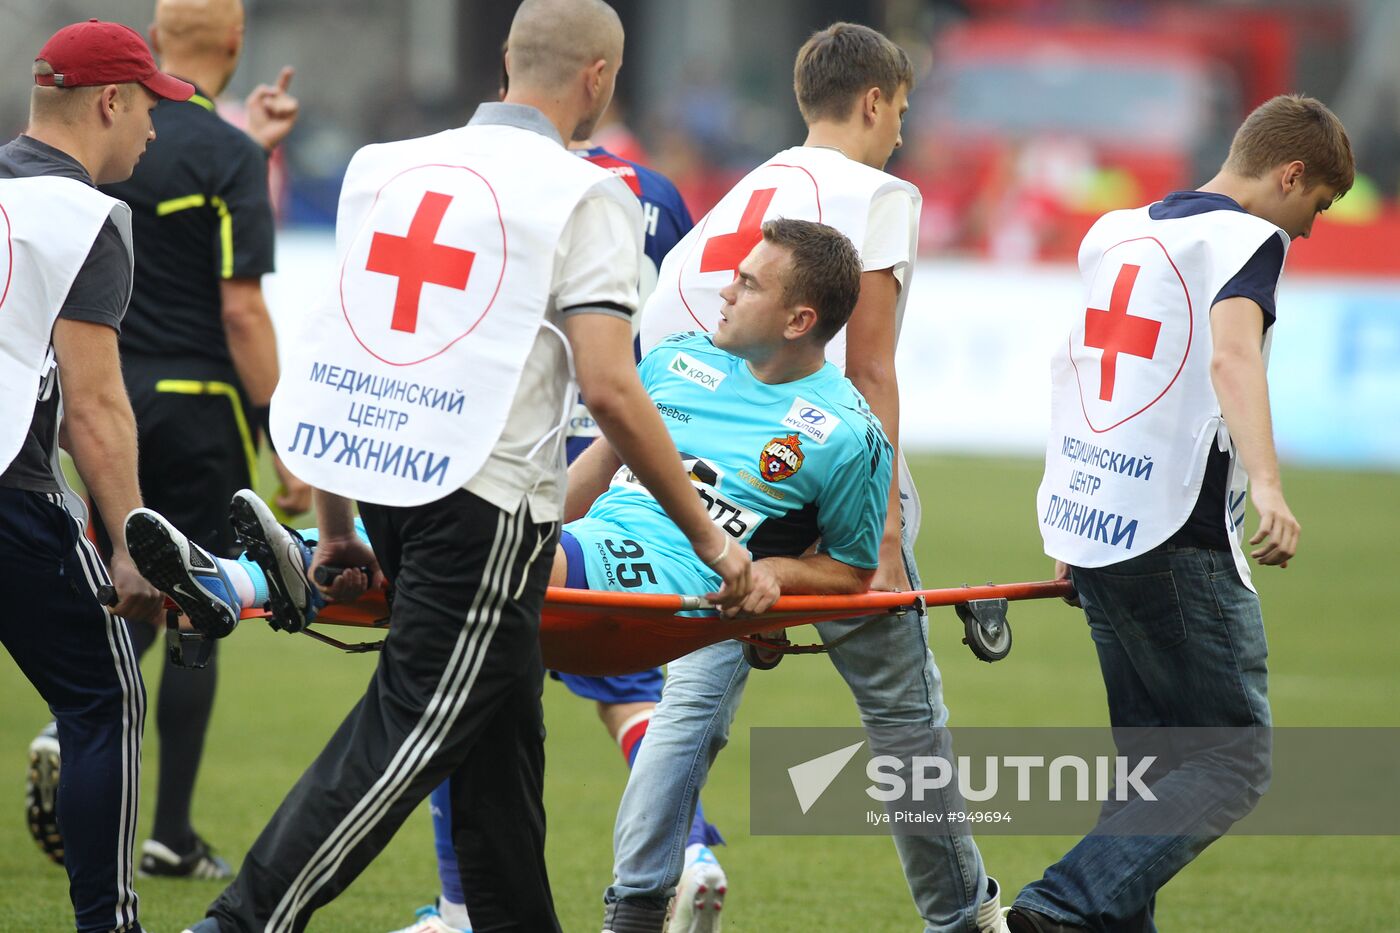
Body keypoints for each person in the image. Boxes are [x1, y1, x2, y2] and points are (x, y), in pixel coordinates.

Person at [180, 2, 751, 930]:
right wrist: (713, 542)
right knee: (411, 729)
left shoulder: (387, 167)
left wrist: (333, 529)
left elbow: (347, 355)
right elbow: (611, 386)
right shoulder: (592, 195)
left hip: (390, 484)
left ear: (504, 62)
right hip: (486, 507)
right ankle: (238, 923)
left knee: (498, 765)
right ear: (599, 79)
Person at [613, 22, 1009, 933]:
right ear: (875, 101)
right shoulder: (879, 192)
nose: (901, 131)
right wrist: (887, 544)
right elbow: (869, 371)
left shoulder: (742, 193)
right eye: (901, 111)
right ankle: (963, 919)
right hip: (811, 467)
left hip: (702, 483)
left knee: (689, 706)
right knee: (905, 713)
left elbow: (669, 342)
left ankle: (631, 910)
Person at [1012, 95, 1353, 933]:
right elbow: (1234, 355)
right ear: (1290, 174)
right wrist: (1268, 486)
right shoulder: (1246, 238)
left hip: (1098, 517)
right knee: (1230, 758)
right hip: (1175, 528)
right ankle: (1058, 908)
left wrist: (1072, 512)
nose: (1309, 229)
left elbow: (1079, 369)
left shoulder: (1118, 230)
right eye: (1316, 206)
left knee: (1151, 773)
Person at [390, 55, 714, 933]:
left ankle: (460, 905)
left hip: (516, 466)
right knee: (626, 683)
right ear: (597, 84)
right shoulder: (652, 192)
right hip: (620, 460)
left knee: (472, 686)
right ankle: (690, 848)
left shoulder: (499, 187)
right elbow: (676, 328)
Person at [23, 0, 307, 884]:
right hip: (186, 403)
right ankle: (170, 832)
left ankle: (64, 725)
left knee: (115, 596)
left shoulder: (38, 169)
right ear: (236, 42)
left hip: (79, 397)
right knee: (193, 605)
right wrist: (284, 437)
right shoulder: (221, 157)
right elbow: (241, 307)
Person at [1, 18, 194, 933]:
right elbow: (97, 407)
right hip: (10, 489)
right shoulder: (83, 216)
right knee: (104, 694)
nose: (154, 130)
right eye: (150, 107)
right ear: (109, 102)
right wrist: (131, 542)